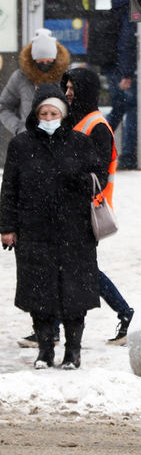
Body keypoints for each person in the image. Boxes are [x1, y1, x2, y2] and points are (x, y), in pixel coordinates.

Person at [0, 83, 105, 369]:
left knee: (74, 294)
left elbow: (99, 177)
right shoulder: (21, 145)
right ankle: (45, 351)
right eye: (43, 113)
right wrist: (7, 227)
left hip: (75, 231)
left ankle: (73, 351)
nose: (48, 119)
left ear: (63, 114)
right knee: (39, 293)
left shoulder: (80, 143)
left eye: (53, 113)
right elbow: (9, 188)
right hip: (34, 231)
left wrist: (78, 180)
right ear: (35, 114)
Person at [64, 67, 135, 344]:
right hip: (74, 207)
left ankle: (126, 313)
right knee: (76, 268)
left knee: (77, 268)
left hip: (87, 209)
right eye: (66, 88)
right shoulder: (77, 119)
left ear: (85, 91)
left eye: (72, 89)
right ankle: (126, 314)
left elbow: (99, 175)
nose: (68, 93)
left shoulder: (96, 126)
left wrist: (70, 180)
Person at [0, 28, 70, 137]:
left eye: (49, 61)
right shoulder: (20, 77)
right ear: (33, 59)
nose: (45, 64)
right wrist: (19, 128)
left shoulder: (66, 78)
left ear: (56, 58)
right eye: (41, 61)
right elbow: (4, 107)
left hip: (61, 140)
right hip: (27, 140)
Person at [102, 0, 138, 169]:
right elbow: (127, 45)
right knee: (132, 110)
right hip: (122, 71)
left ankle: (95, 142)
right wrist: (127, 74)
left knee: (118, 109)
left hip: (112, 69)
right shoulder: (129, 16)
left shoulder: (113, 14)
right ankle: (129, 155)